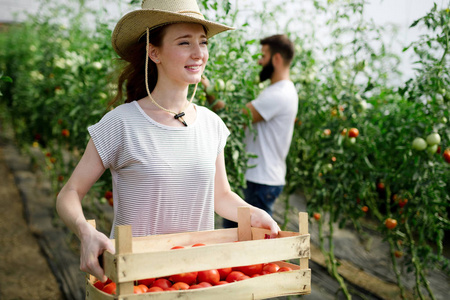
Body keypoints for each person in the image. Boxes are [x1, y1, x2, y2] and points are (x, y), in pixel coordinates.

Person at [56, 0, 280, 283]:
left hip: (197, 279)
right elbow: (69, 193)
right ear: (154, 52)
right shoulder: (121, 123)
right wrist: (86, 231)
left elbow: (220, 196)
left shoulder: (211, 124)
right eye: (184, 43)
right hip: (135, 279)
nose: (199, 53)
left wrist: (254, 214)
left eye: (203, 42)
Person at [203, 34, 298, 228]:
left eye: (263, 56)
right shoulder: (280, 91)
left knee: (245, 245)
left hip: (260, 181)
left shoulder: (279, 94)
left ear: (276, 59)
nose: (259, 61)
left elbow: (233, 118)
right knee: (242, 242)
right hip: (261, 177)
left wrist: (208, 88)